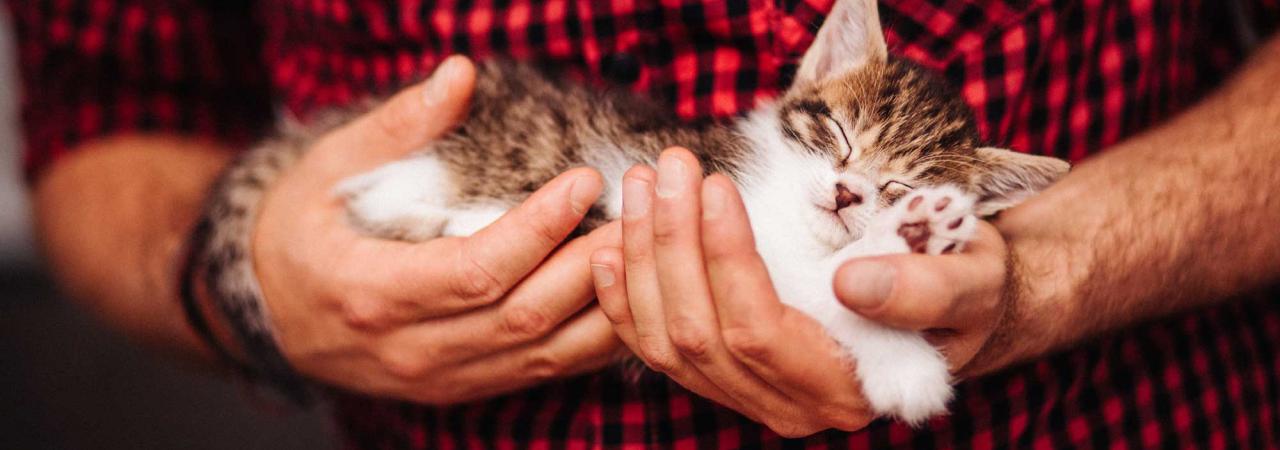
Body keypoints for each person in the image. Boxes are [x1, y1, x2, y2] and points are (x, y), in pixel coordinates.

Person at [12, 0, 1280, 447]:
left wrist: (1050, 272)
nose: (846, 189)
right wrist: (247, 283)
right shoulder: (781, 139)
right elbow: (107, 104)